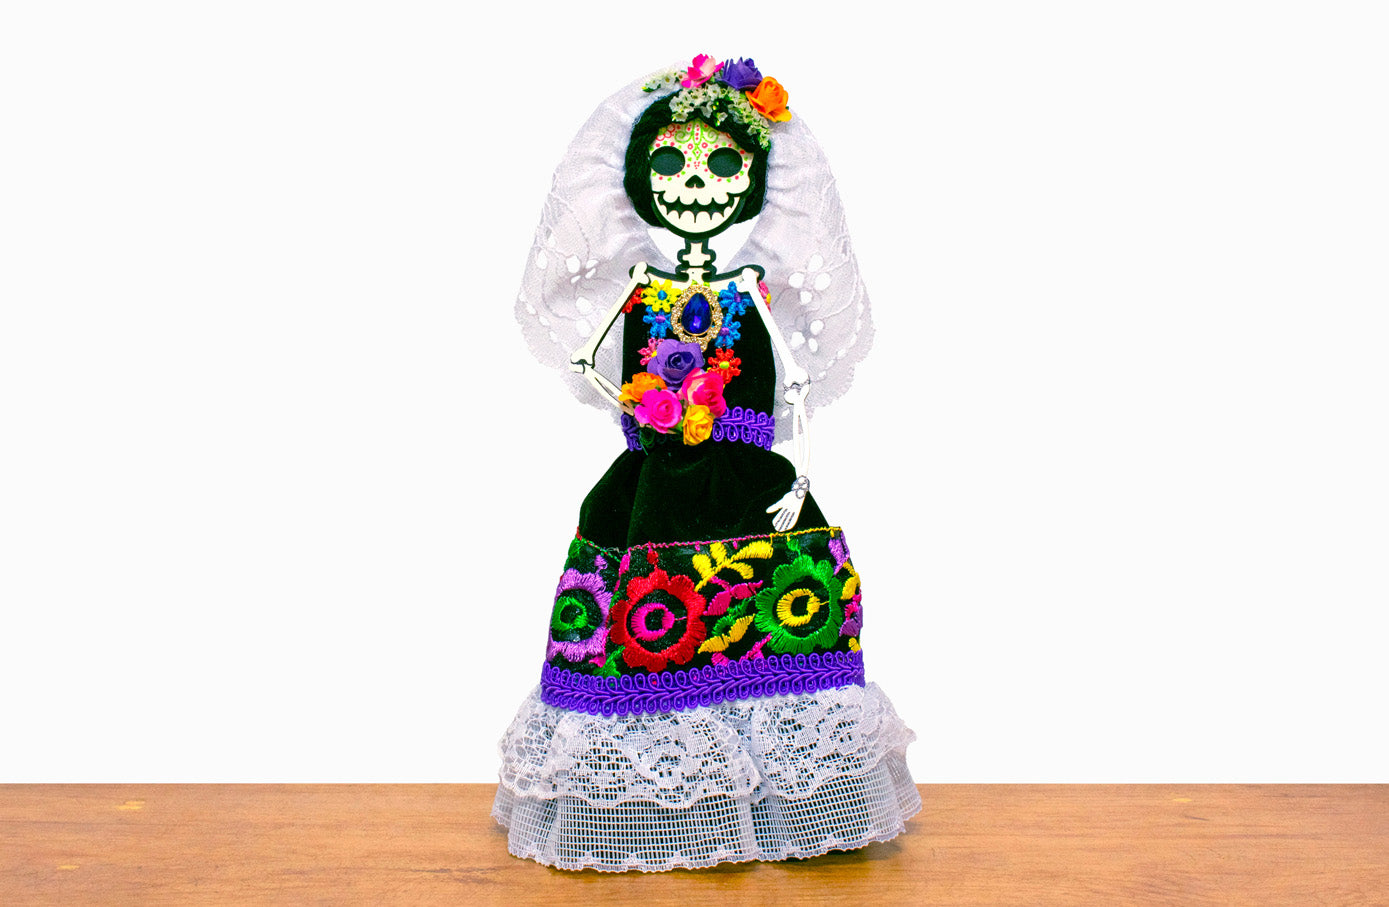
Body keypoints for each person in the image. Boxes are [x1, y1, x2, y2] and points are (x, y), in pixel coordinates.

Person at [496, 55, 920, 872]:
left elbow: (794, 385)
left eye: (724, 164)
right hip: (649, 481)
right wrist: (619, 390)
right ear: (635, 181)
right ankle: (650, 809)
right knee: (641, 624)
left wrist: (800, 471)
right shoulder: (641, 288)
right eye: (670, 163)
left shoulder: (752, 288)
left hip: (751, 479)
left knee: (769, 619)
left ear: (756, 184)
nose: (696, 183)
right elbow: (590, 354)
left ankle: (777, 799)